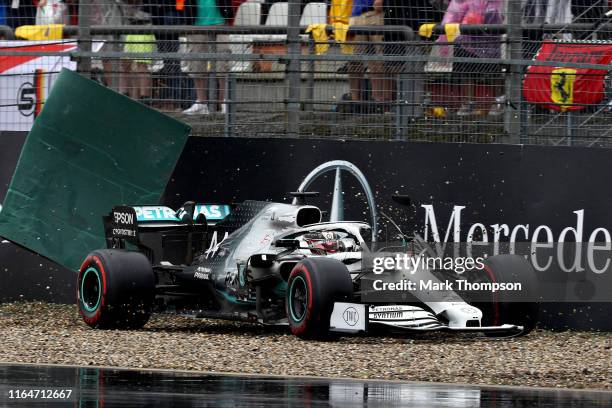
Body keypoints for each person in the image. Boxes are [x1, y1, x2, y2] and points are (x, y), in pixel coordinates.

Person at [182, 0, 230, 115]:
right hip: (196, 24)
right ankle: (201, 103)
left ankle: (223, 102)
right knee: (196, 62)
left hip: (220, 23)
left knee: (222, 61)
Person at [346, 0, 388, 113]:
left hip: (377, 13)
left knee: (379, 59)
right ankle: (355, 102)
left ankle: (380, 102)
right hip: (356, 14)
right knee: (354, 59)